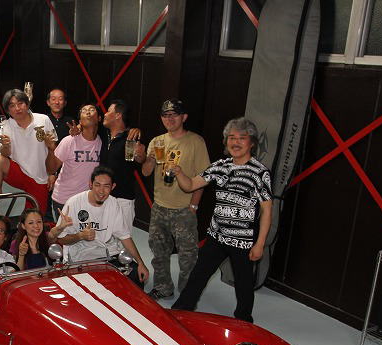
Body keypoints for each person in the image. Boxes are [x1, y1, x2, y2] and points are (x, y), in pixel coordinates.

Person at [171, 117, 273, 323]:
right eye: (231, 137)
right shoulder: (220, 166)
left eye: (242, 138)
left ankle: (243, 322)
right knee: (198, 275)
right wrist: (179, 172)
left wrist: (260, 244)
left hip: (243, 242)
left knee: (244, 285)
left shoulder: (260, 173)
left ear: (252, 142)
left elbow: (267, 211)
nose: (235, 142)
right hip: (216, 237)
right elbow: (190, 185)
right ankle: (180, 312)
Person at [141, 98, 210, 300]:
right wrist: (147, 157)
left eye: (174, 115)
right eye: (165, 115)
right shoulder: (157, 141)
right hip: (159, 207)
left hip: (183, 209)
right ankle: (163, 287)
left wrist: (194, 206)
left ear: (184, 117)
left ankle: (187, 294)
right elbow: (146, 172)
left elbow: (203, 177)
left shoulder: (196, 141)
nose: (169, 119)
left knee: (188, 256)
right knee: (159, 252)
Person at [57, 166, 149, 285]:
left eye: (106, 186)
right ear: (90, 184)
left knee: (136, 274)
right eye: (97, 185)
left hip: (108, 254)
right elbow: (61, 239)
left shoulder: (113, 203)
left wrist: (141, 263)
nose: (101, 191)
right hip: (80, 257)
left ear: (113, 187)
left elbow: (125, 236)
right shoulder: (74, 203)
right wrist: (80, 236)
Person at [0, 89, 59, 214]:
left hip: (39, 177)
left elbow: (54, 149)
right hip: (19, 172)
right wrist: (5, 146)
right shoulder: (6, 126)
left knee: (36, 216)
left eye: (20, 103)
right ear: (8, 110)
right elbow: (5, 154)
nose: (17, 108)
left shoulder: (43, 120)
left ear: (27, 104)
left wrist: (52, 173)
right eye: (12, 106)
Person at [100, 100, 146, 233]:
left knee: (123, 238)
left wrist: (141, 155)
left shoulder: (131, 138)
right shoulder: (102, 135)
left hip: (123, 199)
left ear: (118, 115)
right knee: (102, 237)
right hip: (102, 196)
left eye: (108, 111)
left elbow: (140, 159)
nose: (105, 114)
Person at [50, 104, 102, 217]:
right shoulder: (69, 141)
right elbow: (51, 168)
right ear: (80, 121)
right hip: (64, 199)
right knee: (65, 229)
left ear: (99, 118)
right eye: (84, 111)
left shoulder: (103, 141)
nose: (88, 112)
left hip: (88, 201)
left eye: (92, 110)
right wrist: (50, 149)